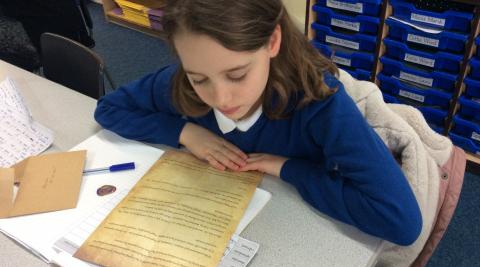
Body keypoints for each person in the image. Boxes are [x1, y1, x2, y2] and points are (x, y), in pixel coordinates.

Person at [94, 0, 422, 247]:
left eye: (237, 75)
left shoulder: (320, 105)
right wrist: (184, 131)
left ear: (272, 43)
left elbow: (401, 222)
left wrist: (290, 168)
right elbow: (109, 109)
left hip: (295, 229)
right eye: (199, 79)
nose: (221, 98)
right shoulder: (177, 84)